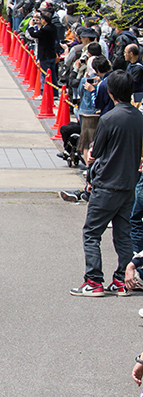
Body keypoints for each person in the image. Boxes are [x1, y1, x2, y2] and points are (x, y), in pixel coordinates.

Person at [71, 72, 143, 297]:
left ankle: (94, 281)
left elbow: (96, 151)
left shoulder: (109, 119)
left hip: (106, 183)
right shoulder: (140, 118)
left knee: (92, 233)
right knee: (124, 234)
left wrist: (91, 156)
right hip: (128, 184)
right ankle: (122, 280)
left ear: (110, 92)